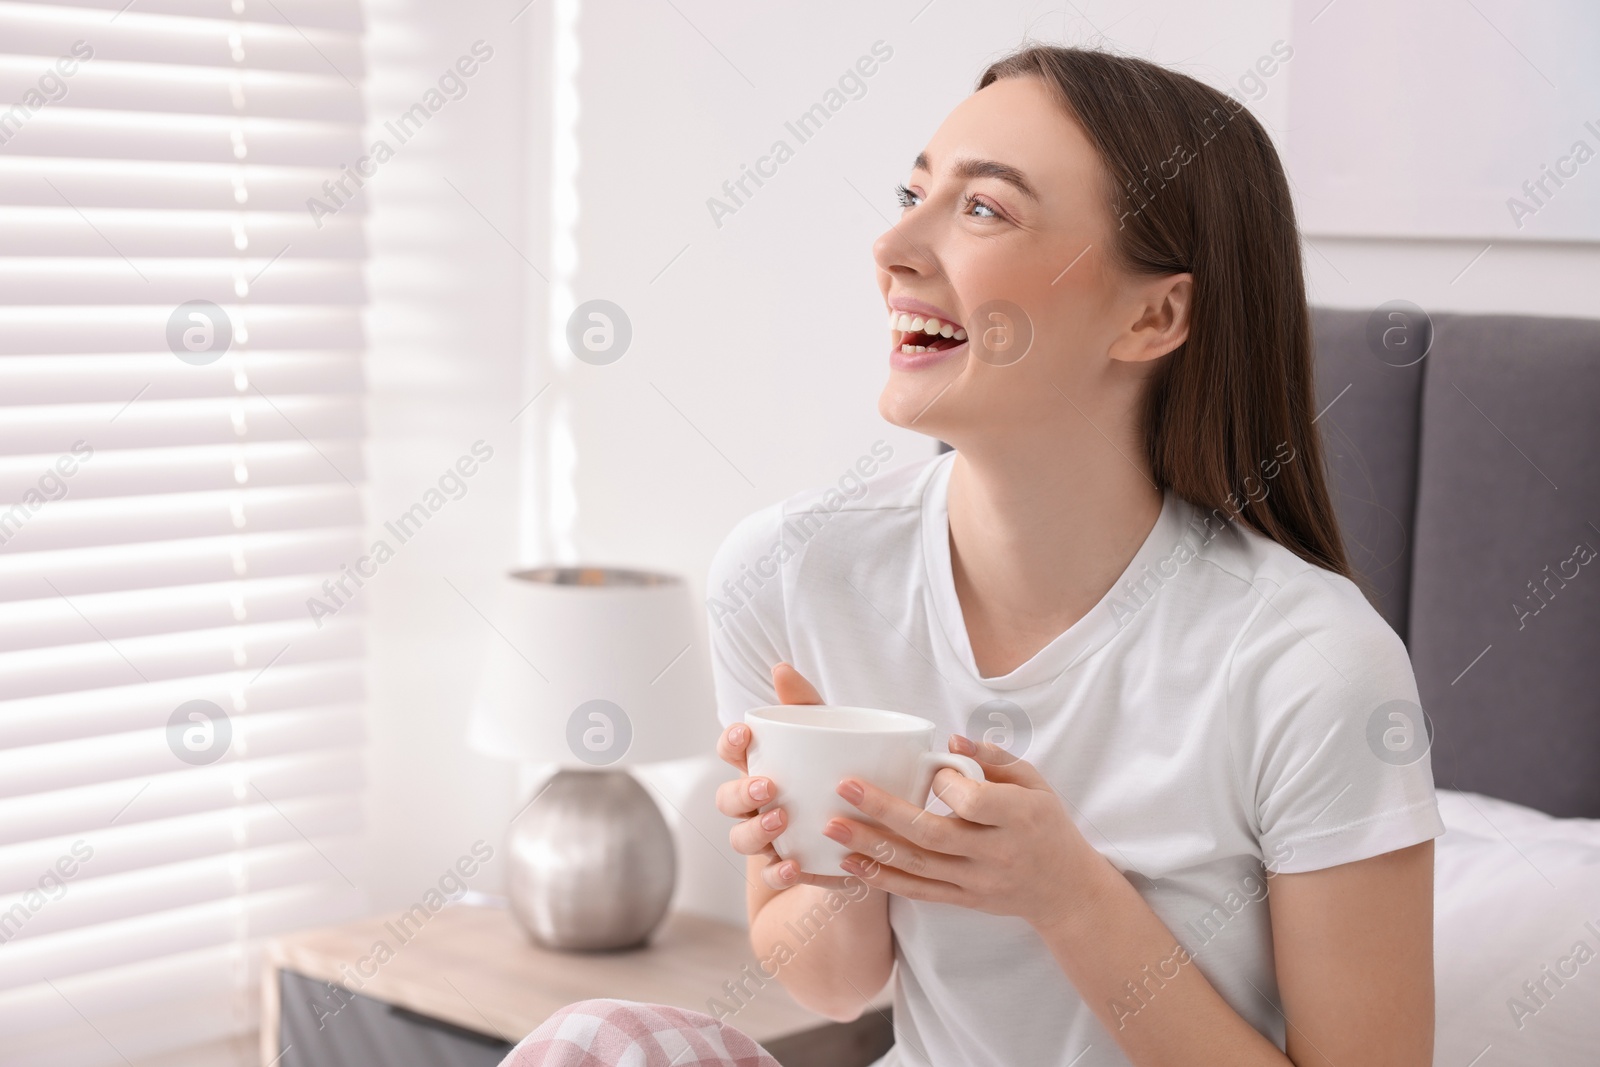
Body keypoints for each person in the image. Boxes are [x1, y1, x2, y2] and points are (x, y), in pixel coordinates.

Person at [709, 45, 1442, 1067]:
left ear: (1152, 315)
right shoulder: (791, 571)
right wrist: (829, 859)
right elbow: (834, 983)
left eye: (983, 210)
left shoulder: (1310, 664)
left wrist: (1068, 894)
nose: (893, 245)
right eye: (914, 193)